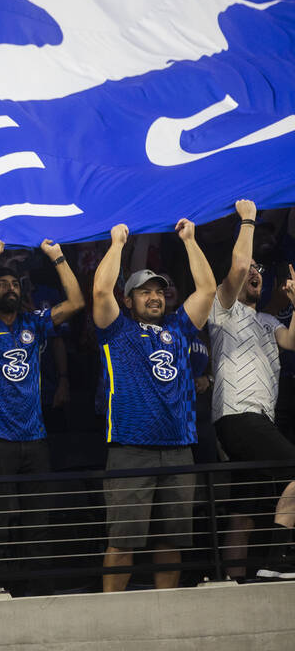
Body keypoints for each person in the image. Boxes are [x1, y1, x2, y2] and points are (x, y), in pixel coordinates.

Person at [0, 239, 85, 593]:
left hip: (35, 438)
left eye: (15, 284)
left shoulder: (34, 322)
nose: (10, 288)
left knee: (38, 524)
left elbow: (76, 302)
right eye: (2, 284)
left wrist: (57, 256)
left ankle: (39, 596)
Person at [93, 220, 215, 591]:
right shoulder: (117, 331)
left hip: (179, 449)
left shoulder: (178, 327)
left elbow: (208, 289)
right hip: (131, 448)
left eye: (158, 291)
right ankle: (111, 616)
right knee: (123, 540)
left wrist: (190, 241)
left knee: (171, 541)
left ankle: (168, 613)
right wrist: (116, 244)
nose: (154, 297)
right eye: (143, 292)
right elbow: (100, 291)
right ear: (128, 300)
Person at [207, 200, 295, 579]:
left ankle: (231, 580)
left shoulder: (267, 319)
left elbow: (292, 342)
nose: (254, 272)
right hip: (238, 414)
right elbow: (240, 266)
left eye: (261, 270)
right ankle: (279, 563)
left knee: (245, 511)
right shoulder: (220, 306)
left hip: (258, 419)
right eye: (251, 270)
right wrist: (248, 219)